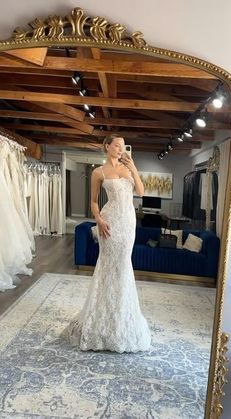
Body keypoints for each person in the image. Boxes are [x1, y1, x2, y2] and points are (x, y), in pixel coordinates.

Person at [67, 134, 151, 353]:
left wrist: (133, 168)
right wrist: (99, 220)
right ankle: (100, 318)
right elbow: (94, 202)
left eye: (123, 146)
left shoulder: (128, 168)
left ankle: (122, 317)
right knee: (107, 265)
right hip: (110, 221)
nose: (121, 149)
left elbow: (141, 192)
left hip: (128, 222)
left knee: (124, 265)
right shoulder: (99, 172)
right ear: (107, 147)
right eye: (117, 145)